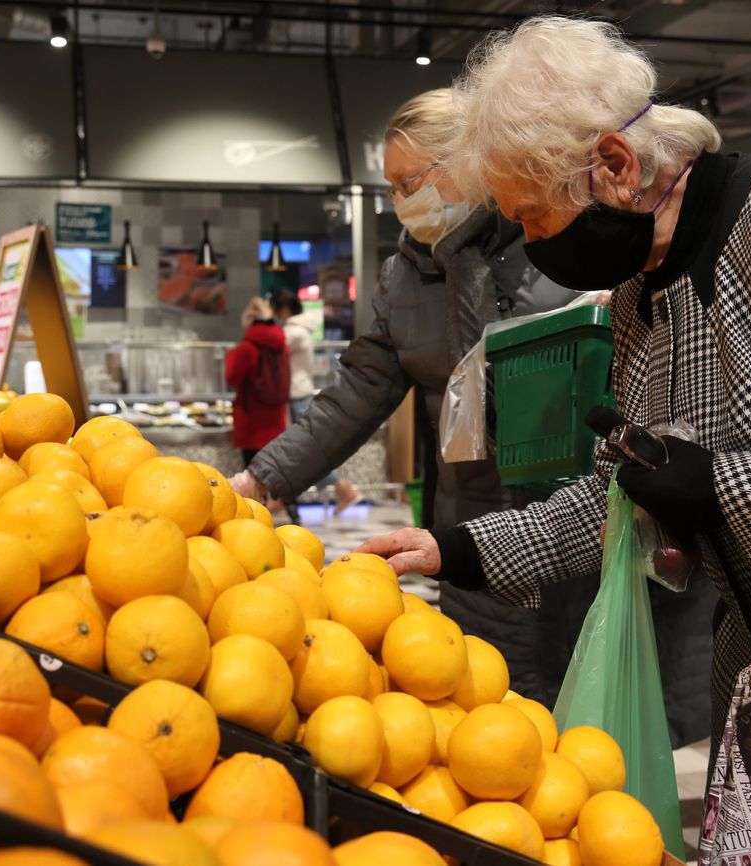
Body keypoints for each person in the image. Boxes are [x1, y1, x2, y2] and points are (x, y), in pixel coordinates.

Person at [356, 15, 751, 849]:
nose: (537, 248)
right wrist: (460, 550)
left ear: (616, 165)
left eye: (537, 220)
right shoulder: (640, 294)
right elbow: (632, 487)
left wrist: (723, 489)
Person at [230, 89, 581, 708]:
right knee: (485, 707)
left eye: (408, 182)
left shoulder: (554, 238)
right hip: (472, 524)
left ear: (468, 164)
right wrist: (263, 479)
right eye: (391, 186)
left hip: (573, 520)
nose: (399, 202)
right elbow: (357, 390)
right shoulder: (406, 275)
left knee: (586, 713)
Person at [269, 288, 362, 516]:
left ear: (282, 309)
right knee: (304, 450)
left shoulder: (293, 332)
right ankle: (284, 497)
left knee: (307, 451)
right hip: (298, 394)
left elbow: (269, 348)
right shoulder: (299, 330)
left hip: (297, 395)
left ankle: (342, 489)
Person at [225, 297, 288, 468]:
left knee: (254, 484)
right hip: (276, 421)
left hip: (252, 424)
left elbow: (232, 378)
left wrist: (232, 354)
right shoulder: (281, 345)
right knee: (273, 478)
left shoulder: (246, 348)